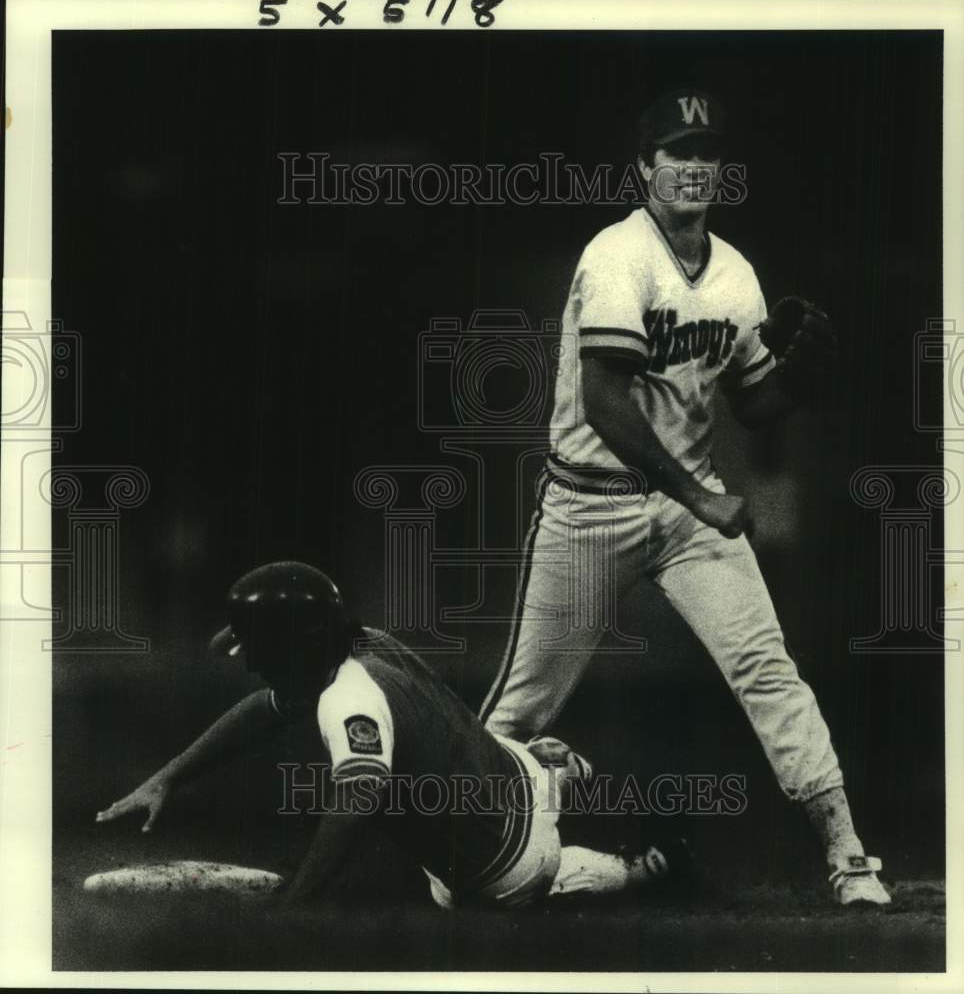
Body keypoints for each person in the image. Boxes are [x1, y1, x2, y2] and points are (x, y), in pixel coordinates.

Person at [478, 88, 890, 907]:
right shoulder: (616, 256)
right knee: (518, 711)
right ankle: (455, 844)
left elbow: (754, 401)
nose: (694, 168)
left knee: (769, 672)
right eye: (677, 153)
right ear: (644, 169)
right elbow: (604, 402)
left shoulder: (735, 273)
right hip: (588, 504)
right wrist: (703, 499)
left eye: (706, 154)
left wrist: (800, 382)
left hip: (683, 511)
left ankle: (849, 858)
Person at [96, 561, 685, 908]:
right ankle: (573, 779)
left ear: (292, 644)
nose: (250, 660)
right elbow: (262, 708)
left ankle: (638, 871)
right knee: (529, 766)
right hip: (510, 774)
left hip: (506, 867)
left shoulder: (349, 699)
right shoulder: (359, 641)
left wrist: (297, 901)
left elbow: (357, 800)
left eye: (257, 645)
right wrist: (168, 777)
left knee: (474, 885)